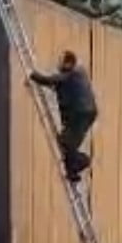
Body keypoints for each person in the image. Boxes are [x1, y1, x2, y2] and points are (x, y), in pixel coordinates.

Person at [30, 50, 98, 183]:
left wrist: (32, 74)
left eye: (61, 62)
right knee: (68, 144)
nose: (59, 65)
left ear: (68, 63)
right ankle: (72, 172)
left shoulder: (70, 74)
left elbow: (48, 80)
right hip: (86, 113)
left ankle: (84, 161)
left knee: (65, 142)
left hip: (79, 113)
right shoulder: (79, 74)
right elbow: (62, 87)